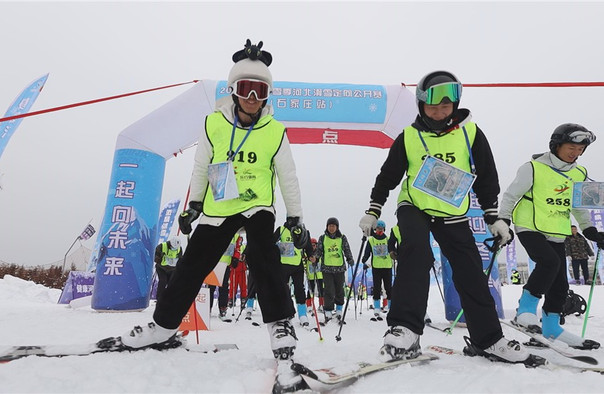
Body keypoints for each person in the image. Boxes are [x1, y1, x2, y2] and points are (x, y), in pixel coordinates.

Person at [121, 39, 308, 363]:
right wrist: (194, 205)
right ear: (234, 89)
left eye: (260, 91)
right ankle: (163, 325)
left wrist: (295, 218)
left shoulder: (275, 131)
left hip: (257, 205)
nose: (252, 99)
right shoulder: (213, 123)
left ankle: (280, 324)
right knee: (192, 264)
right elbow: (201, 166)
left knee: (263, 256)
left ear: (267, 96)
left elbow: (288, 175)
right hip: (219, 205)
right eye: (247, 89)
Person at [359, 70, 531, 364]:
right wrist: (373, 209)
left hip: (452, 211)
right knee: (416, 252)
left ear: (455, 104)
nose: (438, 113)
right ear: (420, 105)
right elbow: (388, 176)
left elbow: (486, 178)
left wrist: (494, 217)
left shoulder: (471, 133)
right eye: (431, 107)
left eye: (445, 106)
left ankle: (487, 338)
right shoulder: (409, 136)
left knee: (469, 271)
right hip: (415, 205)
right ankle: (405, 331)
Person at [499, 123, 601, 349]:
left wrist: (590, 230)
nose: (576, 153)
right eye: (571, 147)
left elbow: (578, 205)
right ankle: (524, 311)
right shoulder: (533, 168)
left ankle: (552, 327)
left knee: (560, 283)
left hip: (557, 230)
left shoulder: (579, 172)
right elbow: (510, 195)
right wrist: (503, 220)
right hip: (529, 226)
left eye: (581, 149)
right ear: (556, 145)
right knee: (548, 262)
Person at [314, 217, 354, 323]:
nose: (331, 228)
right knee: (329, 290)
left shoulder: (342, 237)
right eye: (330, 226)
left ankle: (339, 310)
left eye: (333, 226)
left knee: (339, 290)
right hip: (327, 269)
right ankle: (328, 311)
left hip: (339, 268)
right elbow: (319, 251)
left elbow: (346, 249)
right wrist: (315, 259)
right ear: (327, 227)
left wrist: (350, 259)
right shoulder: (322, 238)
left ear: (337, 227)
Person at [274, 223, 313, 326]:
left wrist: (311, 255)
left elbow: (307, 244)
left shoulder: (302, 230)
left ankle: (302, 315)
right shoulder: (281, 229)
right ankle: (286, 312)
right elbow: (271, 242)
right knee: (283, 289)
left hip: (297, 265)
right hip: (283, 265)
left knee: (299, 289)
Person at [361, 220, 392, 319]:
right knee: (377, 288)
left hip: (387, 266)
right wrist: (364, 259)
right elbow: (367, 252)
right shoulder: (371, 240)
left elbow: (392, 250)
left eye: (381, 229)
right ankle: (377, 308)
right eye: (378, 228)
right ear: (375, 229)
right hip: (377, 267)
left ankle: (390, 307)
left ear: (384, 229)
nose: (380, 230)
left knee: (388, 288)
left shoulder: (388, 239)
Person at [153, 237, 182, 301]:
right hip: (161, 268)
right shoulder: (162, 246)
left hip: (172, 269)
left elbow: (180, 258)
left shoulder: (179, 248)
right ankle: (159, 299)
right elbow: (155, 257)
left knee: (172, 283)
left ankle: (171, 298)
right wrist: (162, 259)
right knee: (163, 281)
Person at [304, 238, 324, 314]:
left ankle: (321, 304)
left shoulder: (319, 253)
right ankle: (309, 305)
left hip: (319, 274)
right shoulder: (307, 253)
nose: (313, 247)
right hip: (310, 275)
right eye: (311, 245)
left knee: (321, 290)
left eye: (314, 245)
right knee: (310, 290)